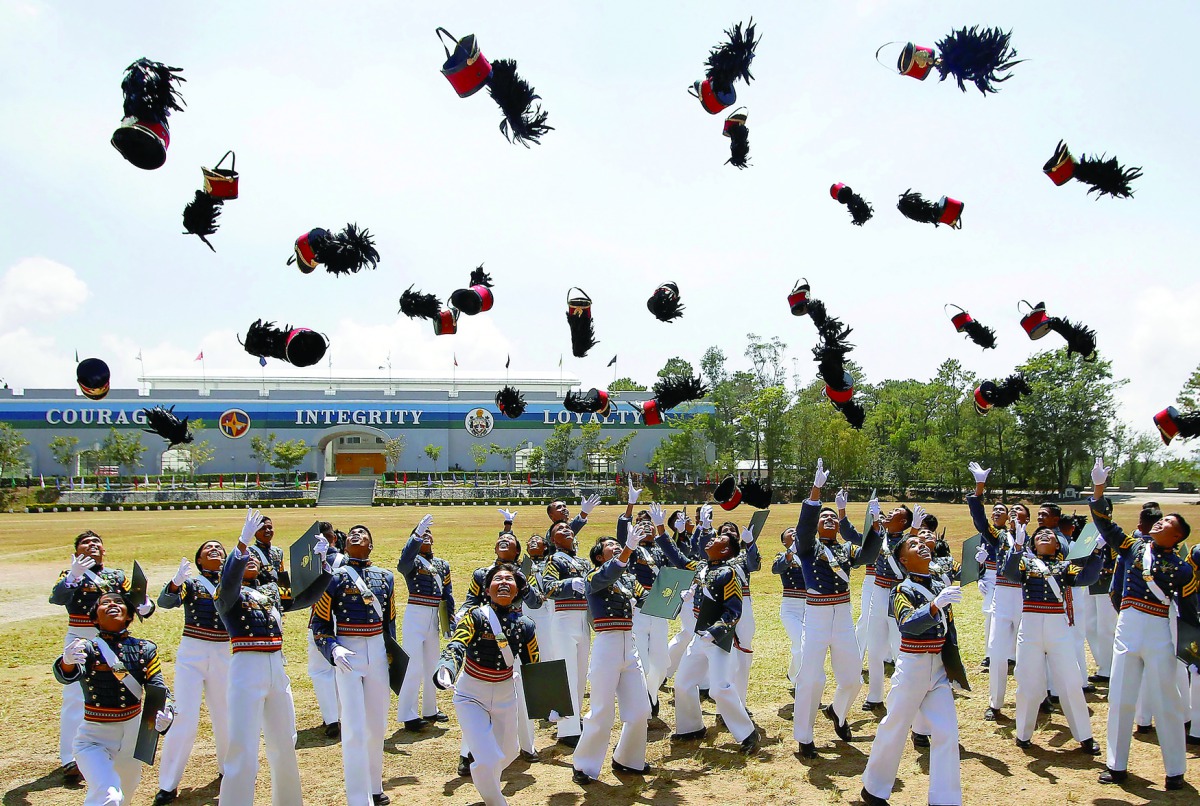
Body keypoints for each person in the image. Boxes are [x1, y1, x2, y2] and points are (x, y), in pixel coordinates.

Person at [1089, 459, 1197, 790]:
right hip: (1128, 628)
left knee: (1167, 701)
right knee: (1120, 698)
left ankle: (1175, 771)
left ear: (1177, 535)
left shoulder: (1183, 569)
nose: (1158, 523)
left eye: (1166, 522)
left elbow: (1191, 612)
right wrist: (1098, 489)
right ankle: (1116, 765)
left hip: (1159, 632)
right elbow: (1107, 527)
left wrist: (1192, 651)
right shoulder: (1134, 547)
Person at [217, 508, 316, 806]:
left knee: (285, 741)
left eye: (255, 558)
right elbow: (230, 581)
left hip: (277, 665)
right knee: (243, 746)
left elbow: (304, 597)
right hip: (246, 666)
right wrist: (242, 545)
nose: (252, 560)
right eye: (247, 558)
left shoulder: (270, 590)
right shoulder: (227, 593)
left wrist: (323, 565)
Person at [860, 534, 964, 806]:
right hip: (913, 665)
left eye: (923, 542)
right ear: (903, 560)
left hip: (939, 667)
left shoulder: (939, 582)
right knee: (895, 726)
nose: (922, 546)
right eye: (913, 545)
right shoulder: (902, 590)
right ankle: (874, 789)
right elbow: (907, 624)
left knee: (947, 732)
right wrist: (934, 605)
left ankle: (945, 799)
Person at [50, 530, 154, 786]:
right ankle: (70, 758)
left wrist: (145, 606)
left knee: (115, 691)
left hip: (113, 641)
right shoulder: (70, 574)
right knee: (75, 698)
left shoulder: (117, 576)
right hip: (81, 637)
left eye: (97, 542)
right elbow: (57, 597)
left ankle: (116, 748)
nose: (92, 545)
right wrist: (73, 576)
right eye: (85, 543)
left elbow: (139, 602)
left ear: (104, 550)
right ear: (76, 553)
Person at [793, 462, 882, 757]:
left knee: (853, 679)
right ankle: (804, 736)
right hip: (816, 616)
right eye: (824, 517)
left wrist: (876, 527)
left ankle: (837, 712)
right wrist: (815, 493)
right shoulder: (808, 547)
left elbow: (868, 553)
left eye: (833, 517)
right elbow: (804, 527)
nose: (829, 520)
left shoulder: (845, 550)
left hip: (842, 615)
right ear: (818, 525)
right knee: (811, 678)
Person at [54, 590, 175, 806]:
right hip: (94, 739)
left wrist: (167, 713)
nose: (112, 604)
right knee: (109, 797)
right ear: (94, 618)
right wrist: (67, 661)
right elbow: (67, 674)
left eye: (119, 601)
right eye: (105, 602)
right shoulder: (88, 648)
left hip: (132, 737)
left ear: (129, 615)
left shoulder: (144, 649)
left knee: (125, 795)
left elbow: (158, 689)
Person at [434, 563, 539, 806]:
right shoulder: (475, 616)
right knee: (488, 758)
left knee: (510, 752)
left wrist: (551, 704)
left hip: (505, 694)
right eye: (497, 579)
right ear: (487, 589)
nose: (503, 583)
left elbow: (535, 666)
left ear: (518, 589)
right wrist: (446, 667)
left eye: (509, 580)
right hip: (471, 694)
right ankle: (496, 801)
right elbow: (457, 644)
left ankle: (488, 784)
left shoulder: (527, 625)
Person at [1002, 516, 1104, 755]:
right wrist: (1016, 549)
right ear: (1033, 545)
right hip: (1030, 626)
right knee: (1027, 682)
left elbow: (1087, 578)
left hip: (1058, 626)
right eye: (1038, 535)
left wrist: (1097, 552)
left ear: (1058, 545)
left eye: (1049, 535)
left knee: (1070, 682)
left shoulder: (1064, 567)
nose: (1043, 536)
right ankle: (1024, 733)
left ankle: (1084, 735)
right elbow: (1011, 575)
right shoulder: (1026, 564)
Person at [310, 524, 395, 806]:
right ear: (346, 545)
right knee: (354, 726)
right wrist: (332, 649)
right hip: (348, 652)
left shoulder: (386, 577)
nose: (357, 534)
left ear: (371, 545)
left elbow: (389, 624)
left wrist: (392, 658)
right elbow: (320, 624)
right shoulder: (333, 578)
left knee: (377, 723)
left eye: (364, 533)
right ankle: (358, 796)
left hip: (378, 653)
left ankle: (374, 784)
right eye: (353, 533)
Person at [667, 515, 760, 753]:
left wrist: (715, 632)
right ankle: (690, 728)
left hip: (715, 640)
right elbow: (678, 558)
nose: (711, 540)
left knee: (720, 688)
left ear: (726, 550)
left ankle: (748, 733)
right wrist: (660, 530)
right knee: (683, 683)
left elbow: (733, 611)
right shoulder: (702, 567)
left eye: (718, 539)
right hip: (699, 637)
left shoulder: (728, 574)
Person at [571, 517, 654, 784]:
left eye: (620, 546)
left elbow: (650, 600)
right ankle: (583, 765)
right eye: (611, 547)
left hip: (629, 645)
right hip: (607, 643)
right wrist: (628, 550)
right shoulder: (594, 576)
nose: (618, 548)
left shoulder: (629, 580)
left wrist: (678, 596)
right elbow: (609, 574)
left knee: (640, 710)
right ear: (598, 556)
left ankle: (628, 759)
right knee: (601, 710)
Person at [456, 518, 541, 770]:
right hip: (486, 634)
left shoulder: (523, 573)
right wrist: (463, 613)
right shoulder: (482, 574)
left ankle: (526, 744)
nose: (504, 542)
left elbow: (535, 603)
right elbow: (470, 599)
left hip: (516, 635)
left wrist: (523, 583)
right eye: (500, 540)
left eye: (510, 542)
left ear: (517, 552)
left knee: (521, 692)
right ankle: (468, 752)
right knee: (477, 698)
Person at [153, 540, 231, 805]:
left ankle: (228, 768)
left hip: (223, 649)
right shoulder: (192, 583)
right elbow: (165, 602)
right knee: (184, 715)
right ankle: (168, 783)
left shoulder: (232, 581)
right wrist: (175, 583)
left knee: (224, 712)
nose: (214, 551)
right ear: (199, 560)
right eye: (208, 549)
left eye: (219, 549)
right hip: (193, 649)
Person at [966, 464, 1023, 721]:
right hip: (1001, 596)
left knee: (1028, 653)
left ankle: (1036, 696)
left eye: (1019, 513)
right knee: (998, 651)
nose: (1013, 517)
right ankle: (996, 702)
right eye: (1011, 514)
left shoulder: (1037, 540)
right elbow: (980, 521)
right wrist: (979, 487)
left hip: (1026, 600)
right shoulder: (999, 538)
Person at [396, 514, 455, 731]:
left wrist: (449, 620)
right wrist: (416, 536)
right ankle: (408, 713)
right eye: (423, 534)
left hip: (434, 615)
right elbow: (403, 564)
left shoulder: (442, 564)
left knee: (432, 662)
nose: (427, 536)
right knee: (412, 665)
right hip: (416, 611)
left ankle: (430, 708)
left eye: (429, 533)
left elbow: (447, 594)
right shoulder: (412, 561)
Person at [542, 518, 594, 747]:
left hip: (583, 617)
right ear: (553, 540)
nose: (566, 530)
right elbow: (547, 587)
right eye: (560, 529)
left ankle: (576, 719)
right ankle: (566, 729)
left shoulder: (583, 562)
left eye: (568, 528)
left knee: (581, 674)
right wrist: (569, 584)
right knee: (567, 673)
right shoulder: (554, 559)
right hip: (563, 617)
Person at [860, 503, 916, 710]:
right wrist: (874, 522)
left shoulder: (907, 541)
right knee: (874, 648)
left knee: (899, 646)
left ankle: (902, 694)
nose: (888, 514)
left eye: (894, 514)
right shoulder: (880, 535)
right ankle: (874, 695)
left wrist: (916, 529)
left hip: (896, 595)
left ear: (902, 522)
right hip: (878, 591)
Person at [622, 482, 671, 716]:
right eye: (642, 525)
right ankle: (646, 701)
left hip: (660, 608)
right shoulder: (630, 552)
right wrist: (630, 506)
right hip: (639, 609)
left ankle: (651, 692)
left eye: (649, 525)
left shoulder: (660, 551)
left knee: (661, 662)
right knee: (641, 657)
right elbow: (623, 533)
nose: (647, 528)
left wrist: (662, 528)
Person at [308, 523, 348, 738]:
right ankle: (342, 715)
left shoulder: (308, 561)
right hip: (342, 620)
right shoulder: (346, 559)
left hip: (318, 619)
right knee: (342, 669)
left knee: (319, 671)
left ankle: (331, 718)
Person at [772, 523, 807, 688]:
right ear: (784, 542)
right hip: (790, 608)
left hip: (811, 607)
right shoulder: (783, 556)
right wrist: (790, 552)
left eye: (795, 530)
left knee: (805, 645)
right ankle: (798, 681)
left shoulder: (810, 555)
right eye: (789, 531)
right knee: (800, 643)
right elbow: (776, 569)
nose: (794, 532)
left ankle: (793, 674)